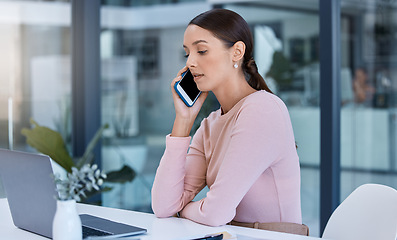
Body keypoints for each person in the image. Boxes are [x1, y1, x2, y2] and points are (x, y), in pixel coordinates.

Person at [151, 9, 302, 227]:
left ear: (237, 52)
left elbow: (215, 214)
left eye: (201, 51)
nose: (191, 62)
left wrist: (182, 210)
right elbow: (164, 206)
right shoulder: (210, 124)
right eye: (187, 53)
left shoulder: (262, 109)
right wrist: (183, 121)